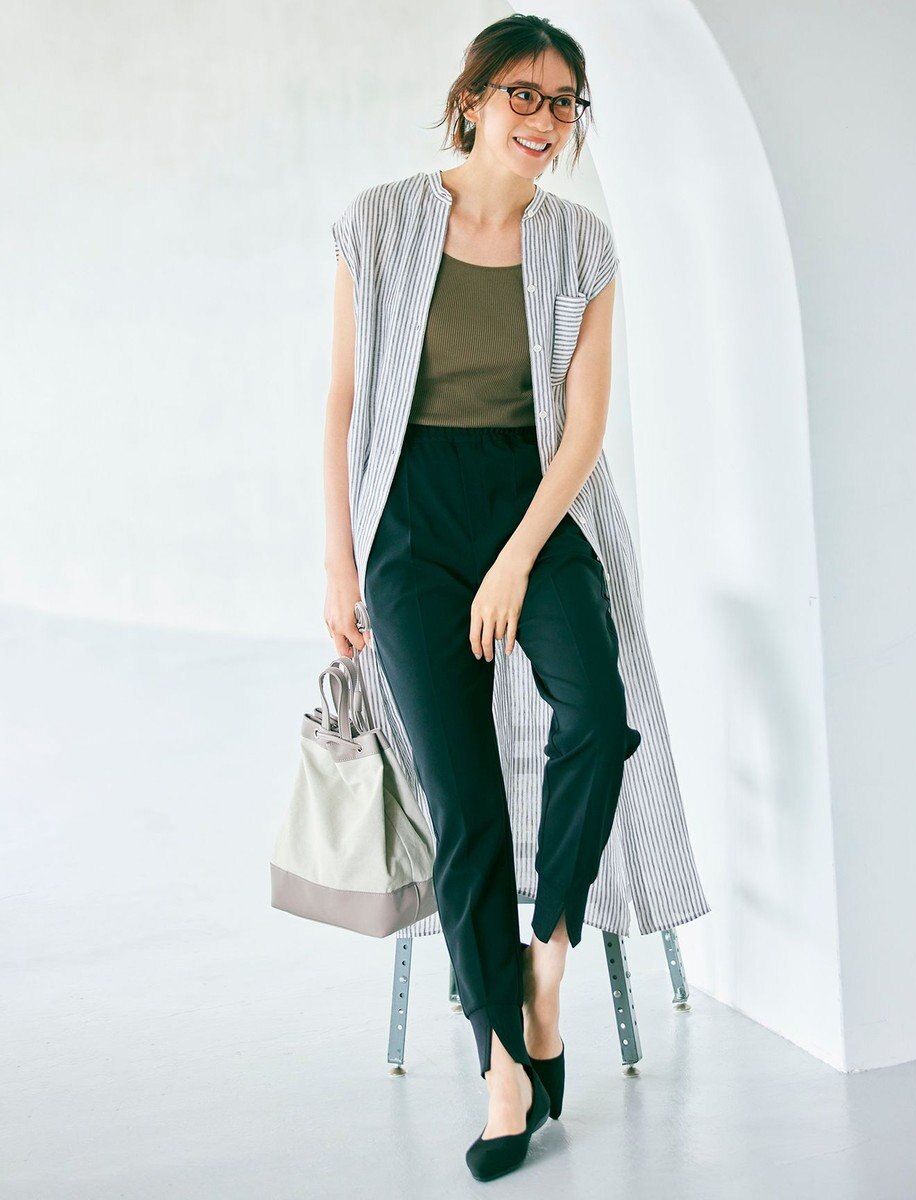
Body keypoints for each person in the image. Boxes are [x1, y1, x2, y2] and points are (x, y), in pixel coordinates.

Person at [324, 15, 642, 1182]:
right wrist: (339, 563)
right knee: (463, 800)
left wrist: (514, 559)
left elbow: (584, 430)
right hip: (411, 522)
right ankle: (503, 1061)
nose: (544, 120)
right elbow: (343, 403)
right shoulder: (380, 221)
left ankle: (544, 963)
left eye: (564, 102)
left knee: (596, 715)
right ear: (471, 99)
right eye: (523, 93)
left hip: (533, 506)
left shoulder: (582, 244)